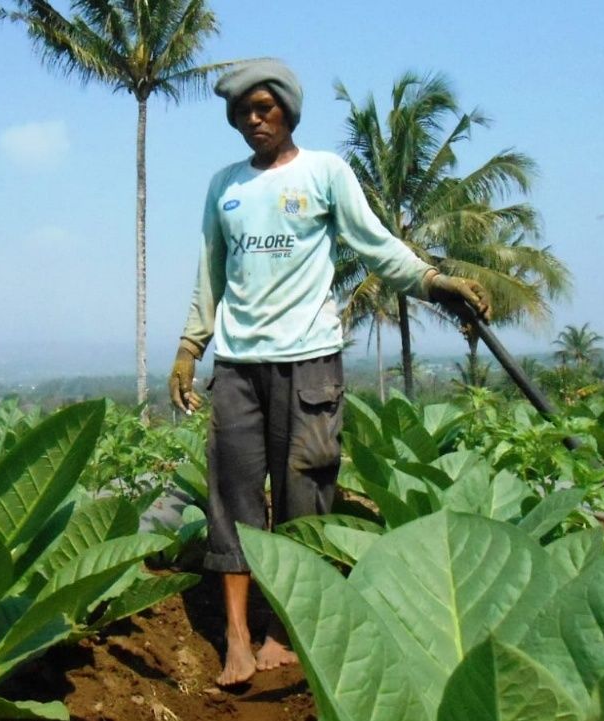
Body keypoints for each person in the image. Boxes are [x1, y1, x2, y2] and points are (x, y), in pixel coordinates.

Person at [168, 59, 491, 687]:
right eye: (242, 111)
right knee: (232, 498)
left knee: (304, 496)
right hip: (238, 364)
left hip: (310, 361)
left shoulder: (325, 173)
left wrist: (433, 281)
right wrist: (189, 348)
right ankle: (236, 634)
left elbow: (377, 247)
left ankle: (283, 629)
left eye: (265, 108)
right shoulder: (224, 186)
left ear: (289, 109)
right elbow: (209, 275)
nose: (253, 120)